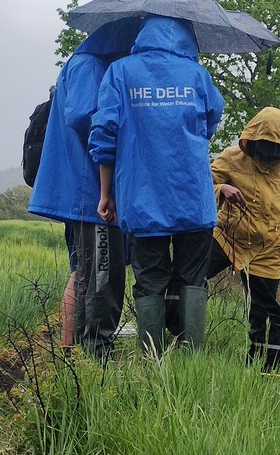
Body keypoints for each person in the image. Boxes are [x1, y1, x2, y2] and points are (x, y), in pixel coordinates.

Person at [89, 16, 225, 353]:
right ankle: (189, 358)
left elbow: (104, 136)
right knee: (192, 278)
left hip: (142, 197)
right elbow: (212, 118)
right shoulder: (196, 74)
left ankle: (153, 361)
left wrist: (107, 194)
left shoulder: (120, 72)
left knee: (150, 279)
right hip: (193, 195)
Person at [27, 19, 141, 359]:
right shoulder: (88, 65)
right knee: (102, 277)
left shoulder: (87, 62)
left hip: (84, 193)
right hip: (88, 193)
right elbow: (85, 118)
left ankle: (71, 356)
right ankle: (94, 356)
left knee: (85, 271)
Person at [205, 107, 280, 372]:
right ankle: (180, 342)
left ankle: (262, 370)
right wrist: (222, 189)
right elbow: (201, 184)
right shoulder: (231, 158)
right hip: (227, 238)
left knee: (265, 312)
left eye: (275, 151)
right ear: (253, 142)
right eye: (264, 149)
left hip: (269, 247)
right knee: (190, 278)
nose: (268, 156)